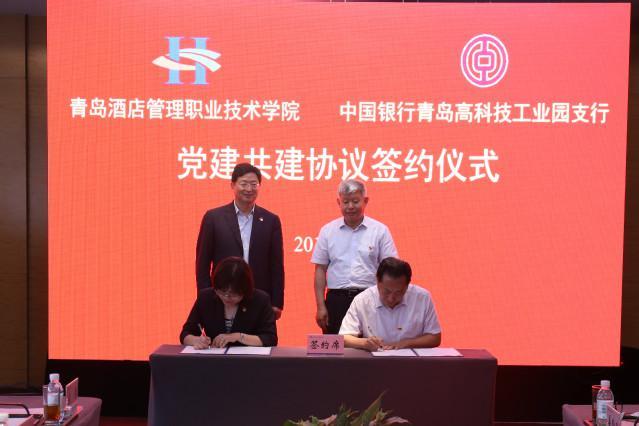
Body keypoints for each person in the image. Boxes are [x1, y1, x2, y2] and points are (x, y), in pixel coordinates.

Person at [196, 163, 284, 319]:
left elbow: (276, 265)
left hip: (259, 298)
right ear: (232, 185)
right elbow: (202, 263)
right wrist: (206, 297)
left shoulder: (271, 220)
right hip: (223, 296)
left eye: (254, 184)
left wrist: (277, 302)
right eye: (244, 184)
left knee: (259, 335)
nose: (249, 189)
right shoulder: (214, 218)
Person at [311, 179, 398, 334]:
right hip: (336, 300)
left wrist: (388, 301)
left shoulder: (380, 230)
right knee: (336, 346)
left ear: (365, 201)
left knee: (371, 345)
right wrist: (320, 306)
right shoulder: (327, 231)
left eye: (355, 201)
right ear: (339, 202)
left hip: (370, 298)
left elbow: (390, 269)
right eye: (345, 202)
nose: (350, 206)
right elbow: (320, 270)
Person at [339, 257, 441, 352]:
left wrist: (406, 343)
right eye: (387, 291)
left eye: (398, 292)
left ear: (407, 285)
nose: (391, 298)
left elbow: (435, 337)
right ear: (377, 282)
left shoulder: (422, 298)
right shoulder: (362, 300)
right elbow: (343, 339)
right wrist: (365, 343)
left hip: (412, 360)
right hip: (375, 360)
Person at [181, 257, 277, 348]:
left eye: (233, 294)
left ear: (245, 290)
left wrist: (238, 336)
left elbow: (270, 338)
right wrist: (196, 340)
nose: (226, 297)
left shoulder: (260, 300)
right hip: (215, 357)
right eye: (222, 292)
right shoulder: (206, 298)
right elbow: (186, 333)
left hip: (249, 358)